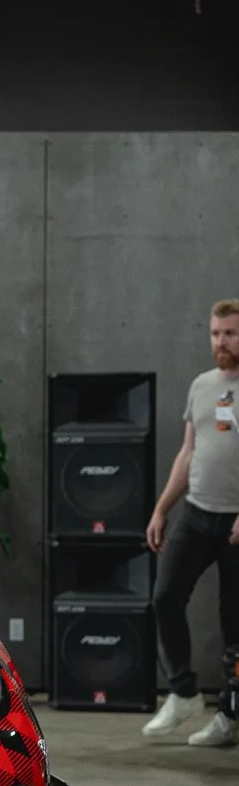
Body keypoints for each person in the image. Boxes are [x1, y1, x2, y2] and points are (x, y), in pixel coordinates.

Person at [142, 299, 239, 747]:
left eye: (231, 333)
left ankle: (230, 715)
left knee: (233, 624)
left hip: (237, 523)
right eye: (216, 333)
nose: (222, 342)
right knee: (165, 597)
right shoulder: (202, 386)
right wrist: (163, 508)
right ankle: (183, 692)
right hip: (197, 514)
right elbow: (189, 452)